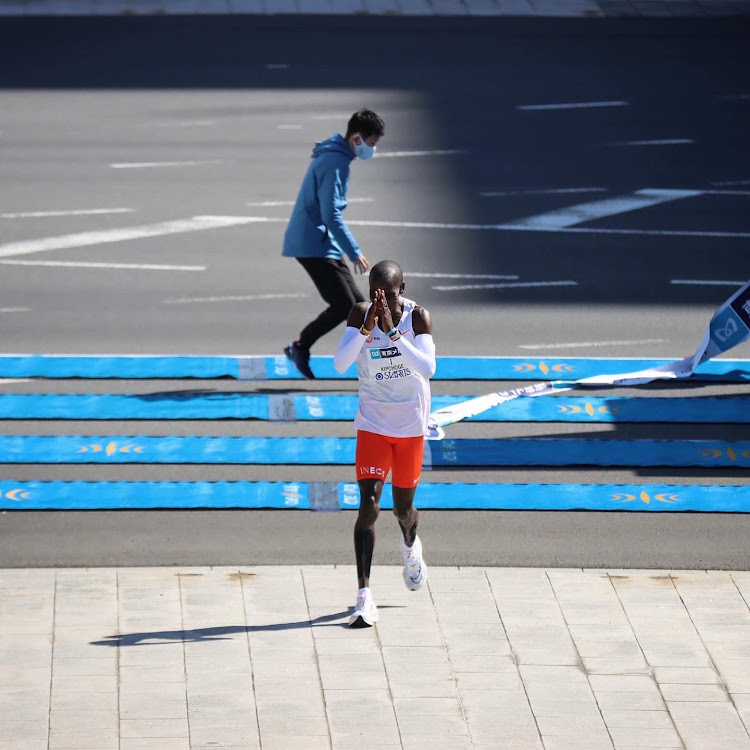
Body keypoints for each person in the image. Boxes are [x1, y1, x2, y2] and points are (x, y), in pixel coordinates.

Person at [333, 260, 437, 627]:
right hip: (374, 425)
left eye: (389, 296)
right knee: (369, 506)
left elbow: (428, 368)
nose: (383, 304)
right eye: (376, 295)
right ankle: (364, 595)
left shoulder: (416, 318)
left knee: (402, 511)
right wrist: (365, 330)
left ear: (402, 290)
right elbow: (341, 363)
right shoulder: (362, 315)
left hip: (409, 426)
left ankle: (410, 545)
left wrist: (393, 334)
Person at [282, 108, 386, 380]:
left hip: (320, 241)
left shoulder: (335, 155)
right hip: (313, 244)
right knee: (344, 306)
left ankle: (372, 362)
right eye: (371, 143)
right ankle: (300, 346)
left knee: (359, 307)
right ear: (356, 139)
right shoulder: (335, 162)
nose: (372, 150)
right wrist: (354, 252)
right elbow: (331, 214)